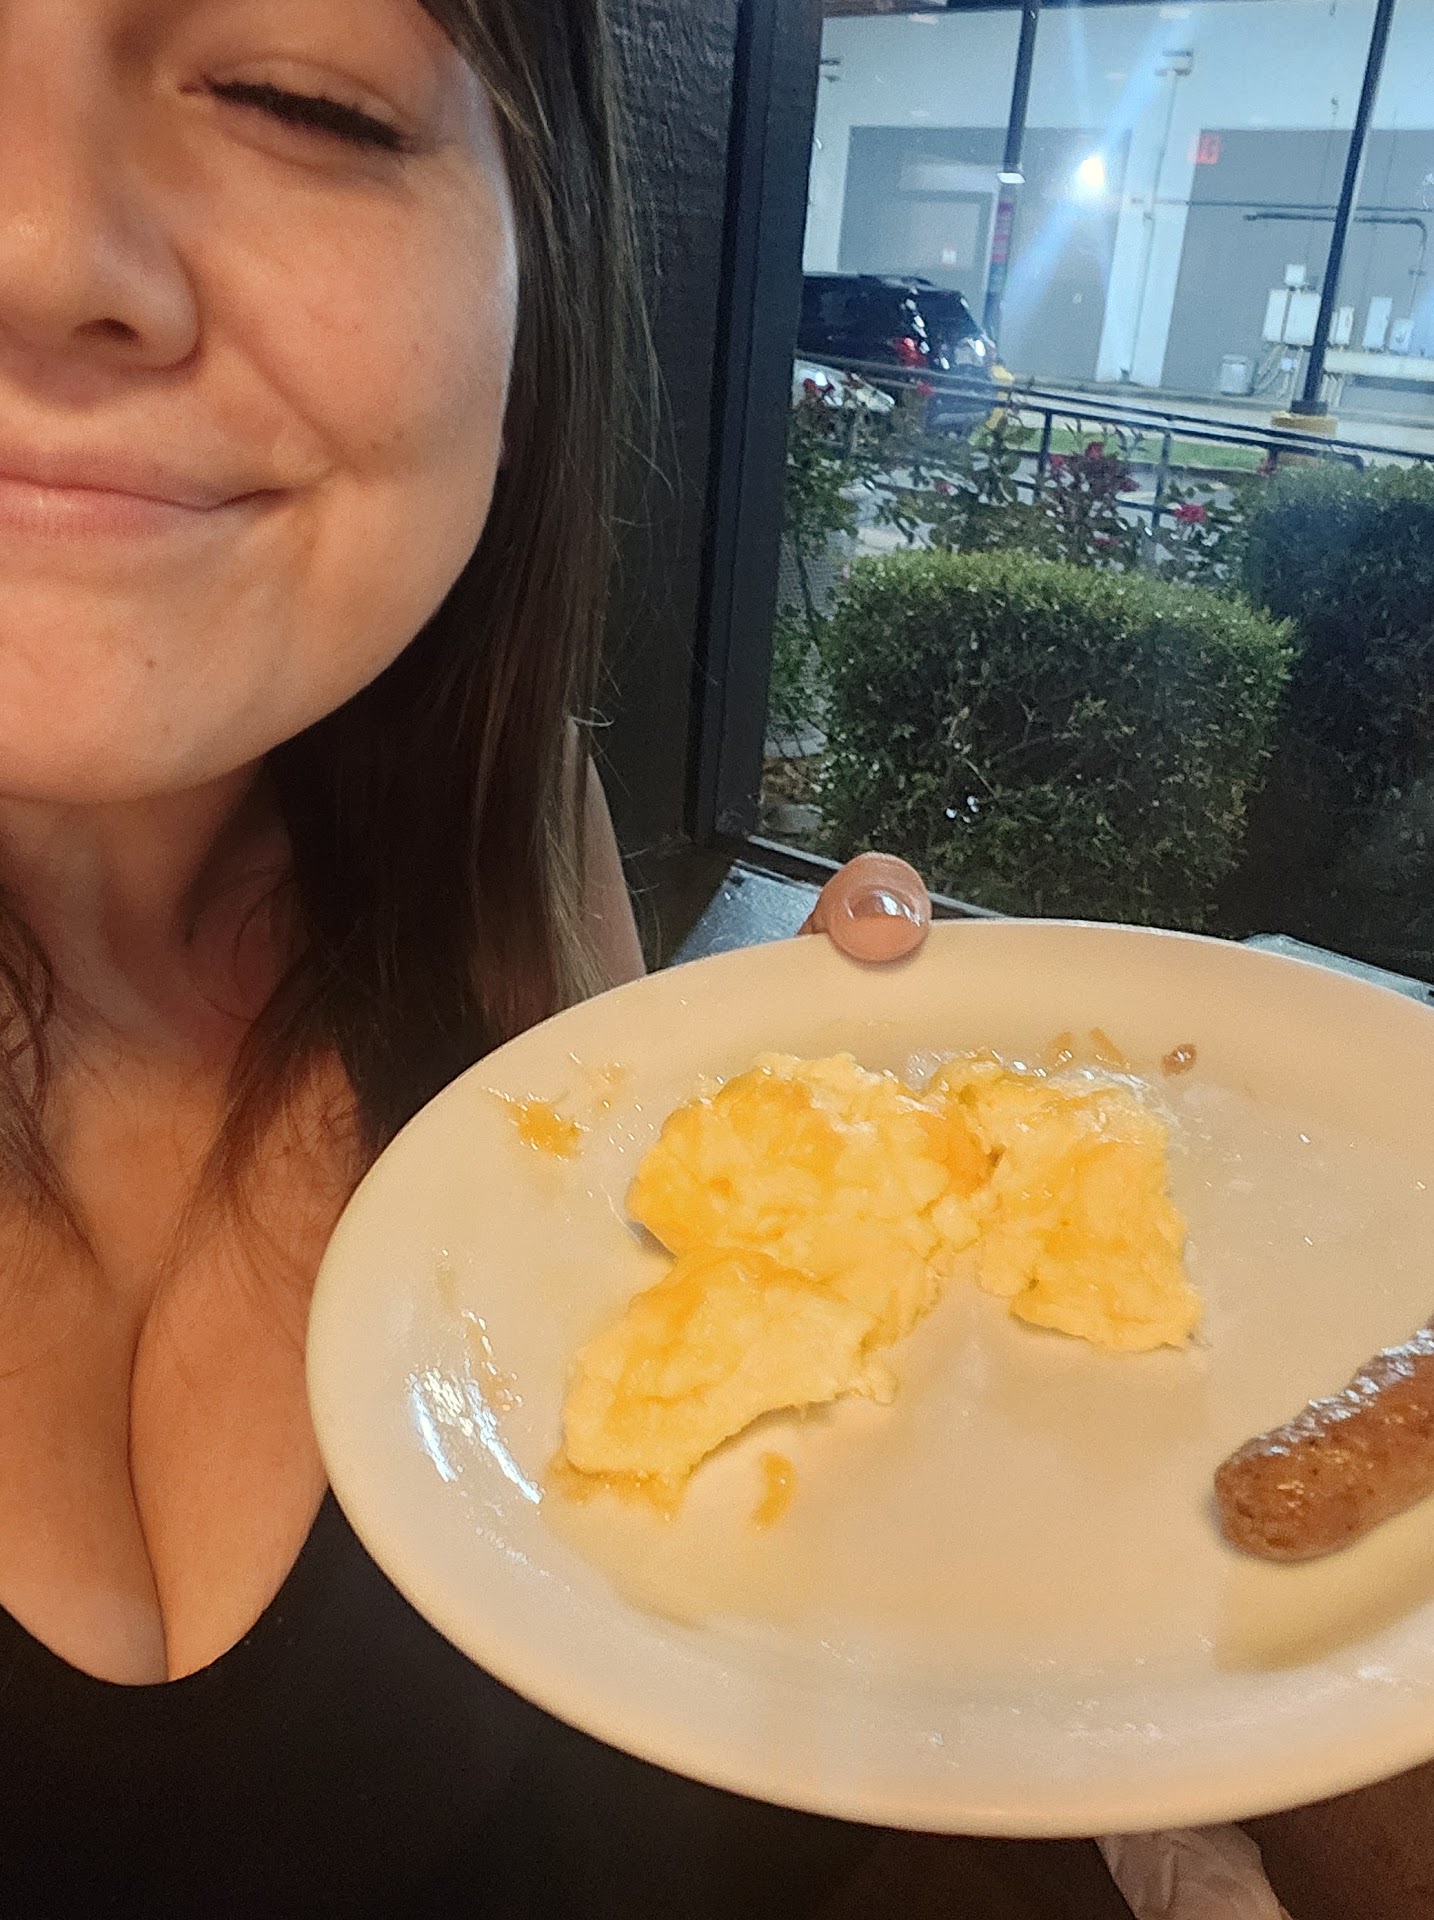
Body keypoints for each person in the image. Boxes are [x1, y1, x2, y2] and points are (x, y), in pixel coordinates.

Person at [0, 3, 1409, 1916]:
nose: (45, 250)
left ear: (538, 259)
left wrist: (847, 1165)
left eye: (292, 94)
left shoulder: (508, 845)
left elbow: (664, 1680)